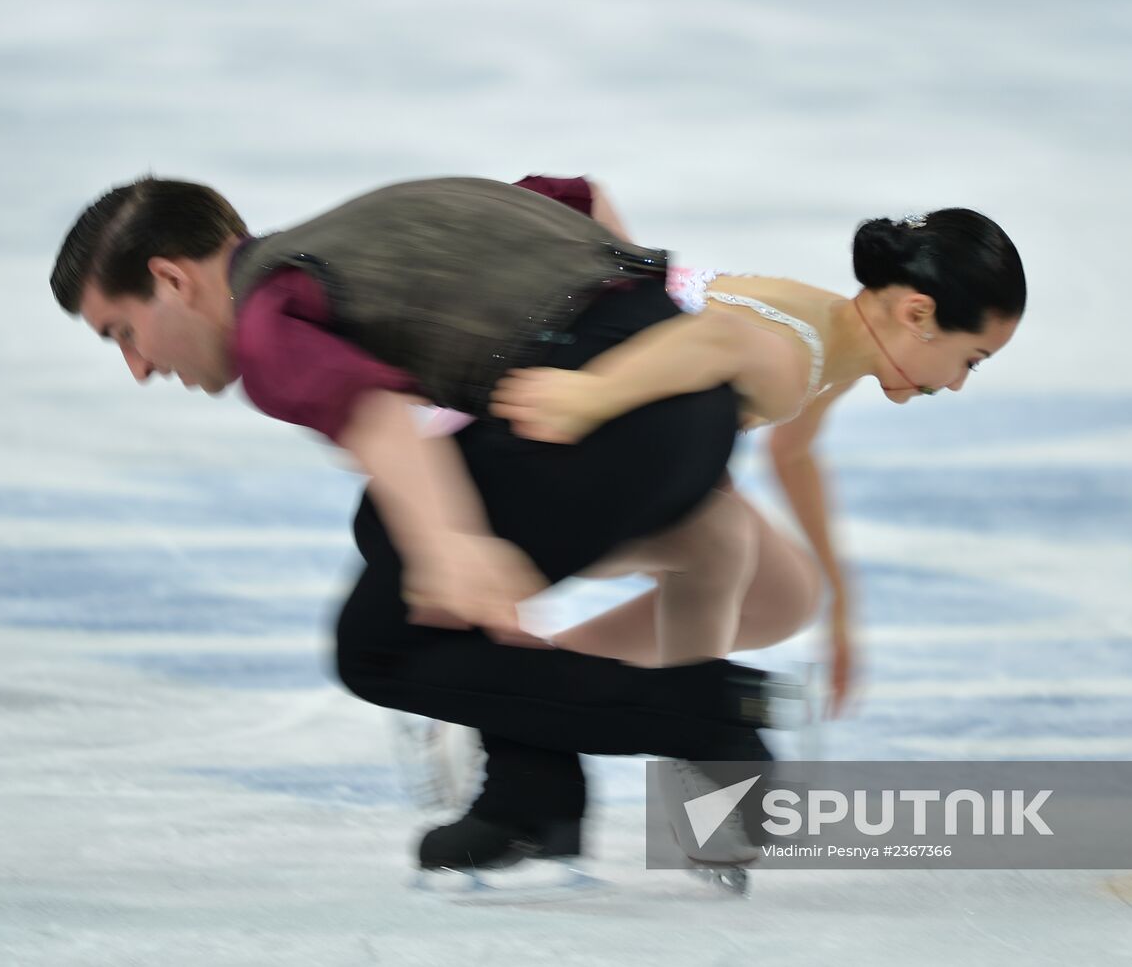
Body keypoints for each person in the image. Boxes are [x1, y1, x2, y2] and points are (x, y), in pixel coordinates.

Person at [50, 174, 792, 875]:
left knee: (379, 646)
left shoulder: (266, 322)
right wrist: (653, 369)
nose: (138, 367)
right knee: (393, 523)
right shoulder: (352, 233)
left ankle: (712, 710)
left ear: (173, 280)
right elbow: (581, 201)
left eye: (124, 332)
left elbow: (379, 422)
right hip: (693, 395)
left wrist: (451, 547)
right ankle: (531, 792)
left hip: (611, 418)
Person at [489, 203, 1027, 714]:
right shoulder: (797, 356)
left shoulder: (840, 335)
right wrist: (590, 396)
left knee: (784, 595)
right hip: (531, 440)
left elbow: (793, 453)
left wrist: (840, 602)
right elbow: (720, 339)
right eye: (970, 361)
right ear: (919, 313)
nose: (956, 384)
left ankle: (532, 682)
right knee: (722, 541)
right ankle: (696, 759)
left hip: (610, 444)